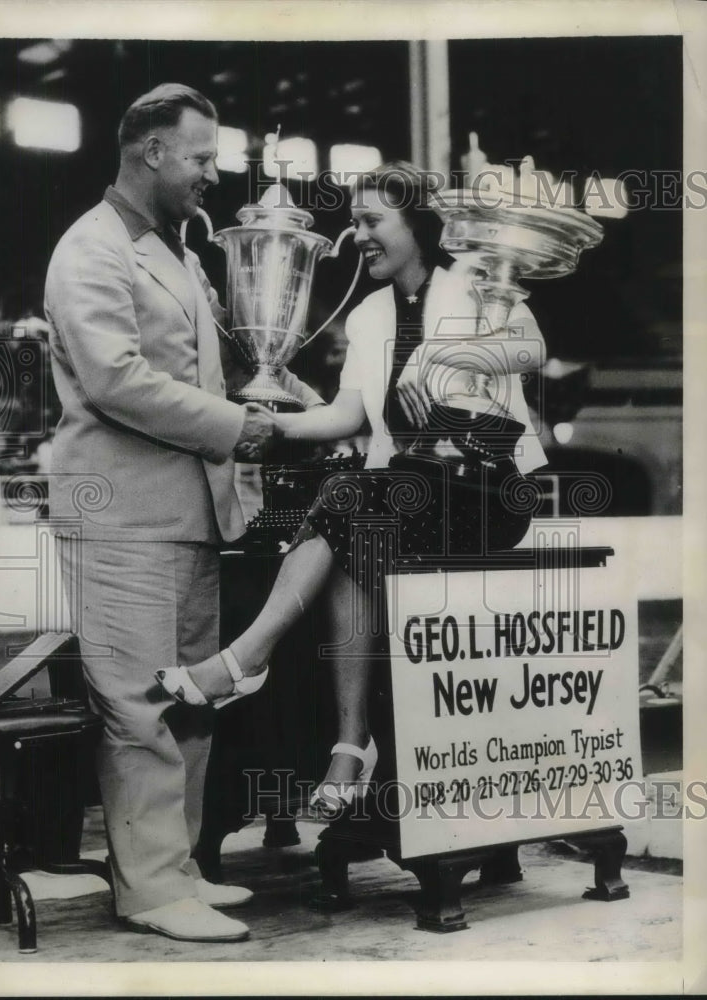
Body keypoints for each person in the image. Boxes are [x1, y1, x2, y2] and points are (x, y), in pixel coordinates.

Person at [156, 161, 547, 815]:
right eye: (354, 222)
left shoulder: (475, 281)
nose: (359, 236)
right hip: (406, 492)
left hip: (491, 489)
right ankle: (349, 745)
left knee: (352, 501)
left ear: (417, 225)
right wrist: (264, 424)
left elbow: (531, 349)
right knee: (352, 532)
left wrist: (455, 356)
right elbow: (345, 416)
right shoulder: (368, 315)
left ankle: (250, 658)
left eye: (373, 222)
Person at [44, 83, 322, 942]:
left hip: (193, 517)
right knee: (138, 709)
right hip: (122, 519)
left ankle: (180, 868)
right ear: (151, 151)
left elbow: (193, 374)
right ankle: (149, 889)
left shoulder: (174, 250)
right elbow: (117, 382)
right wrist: (247, 428)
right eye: (201, 156)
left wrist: (274, 402)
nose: (213, 172)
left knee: (192, 702)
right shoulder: (89, 250)